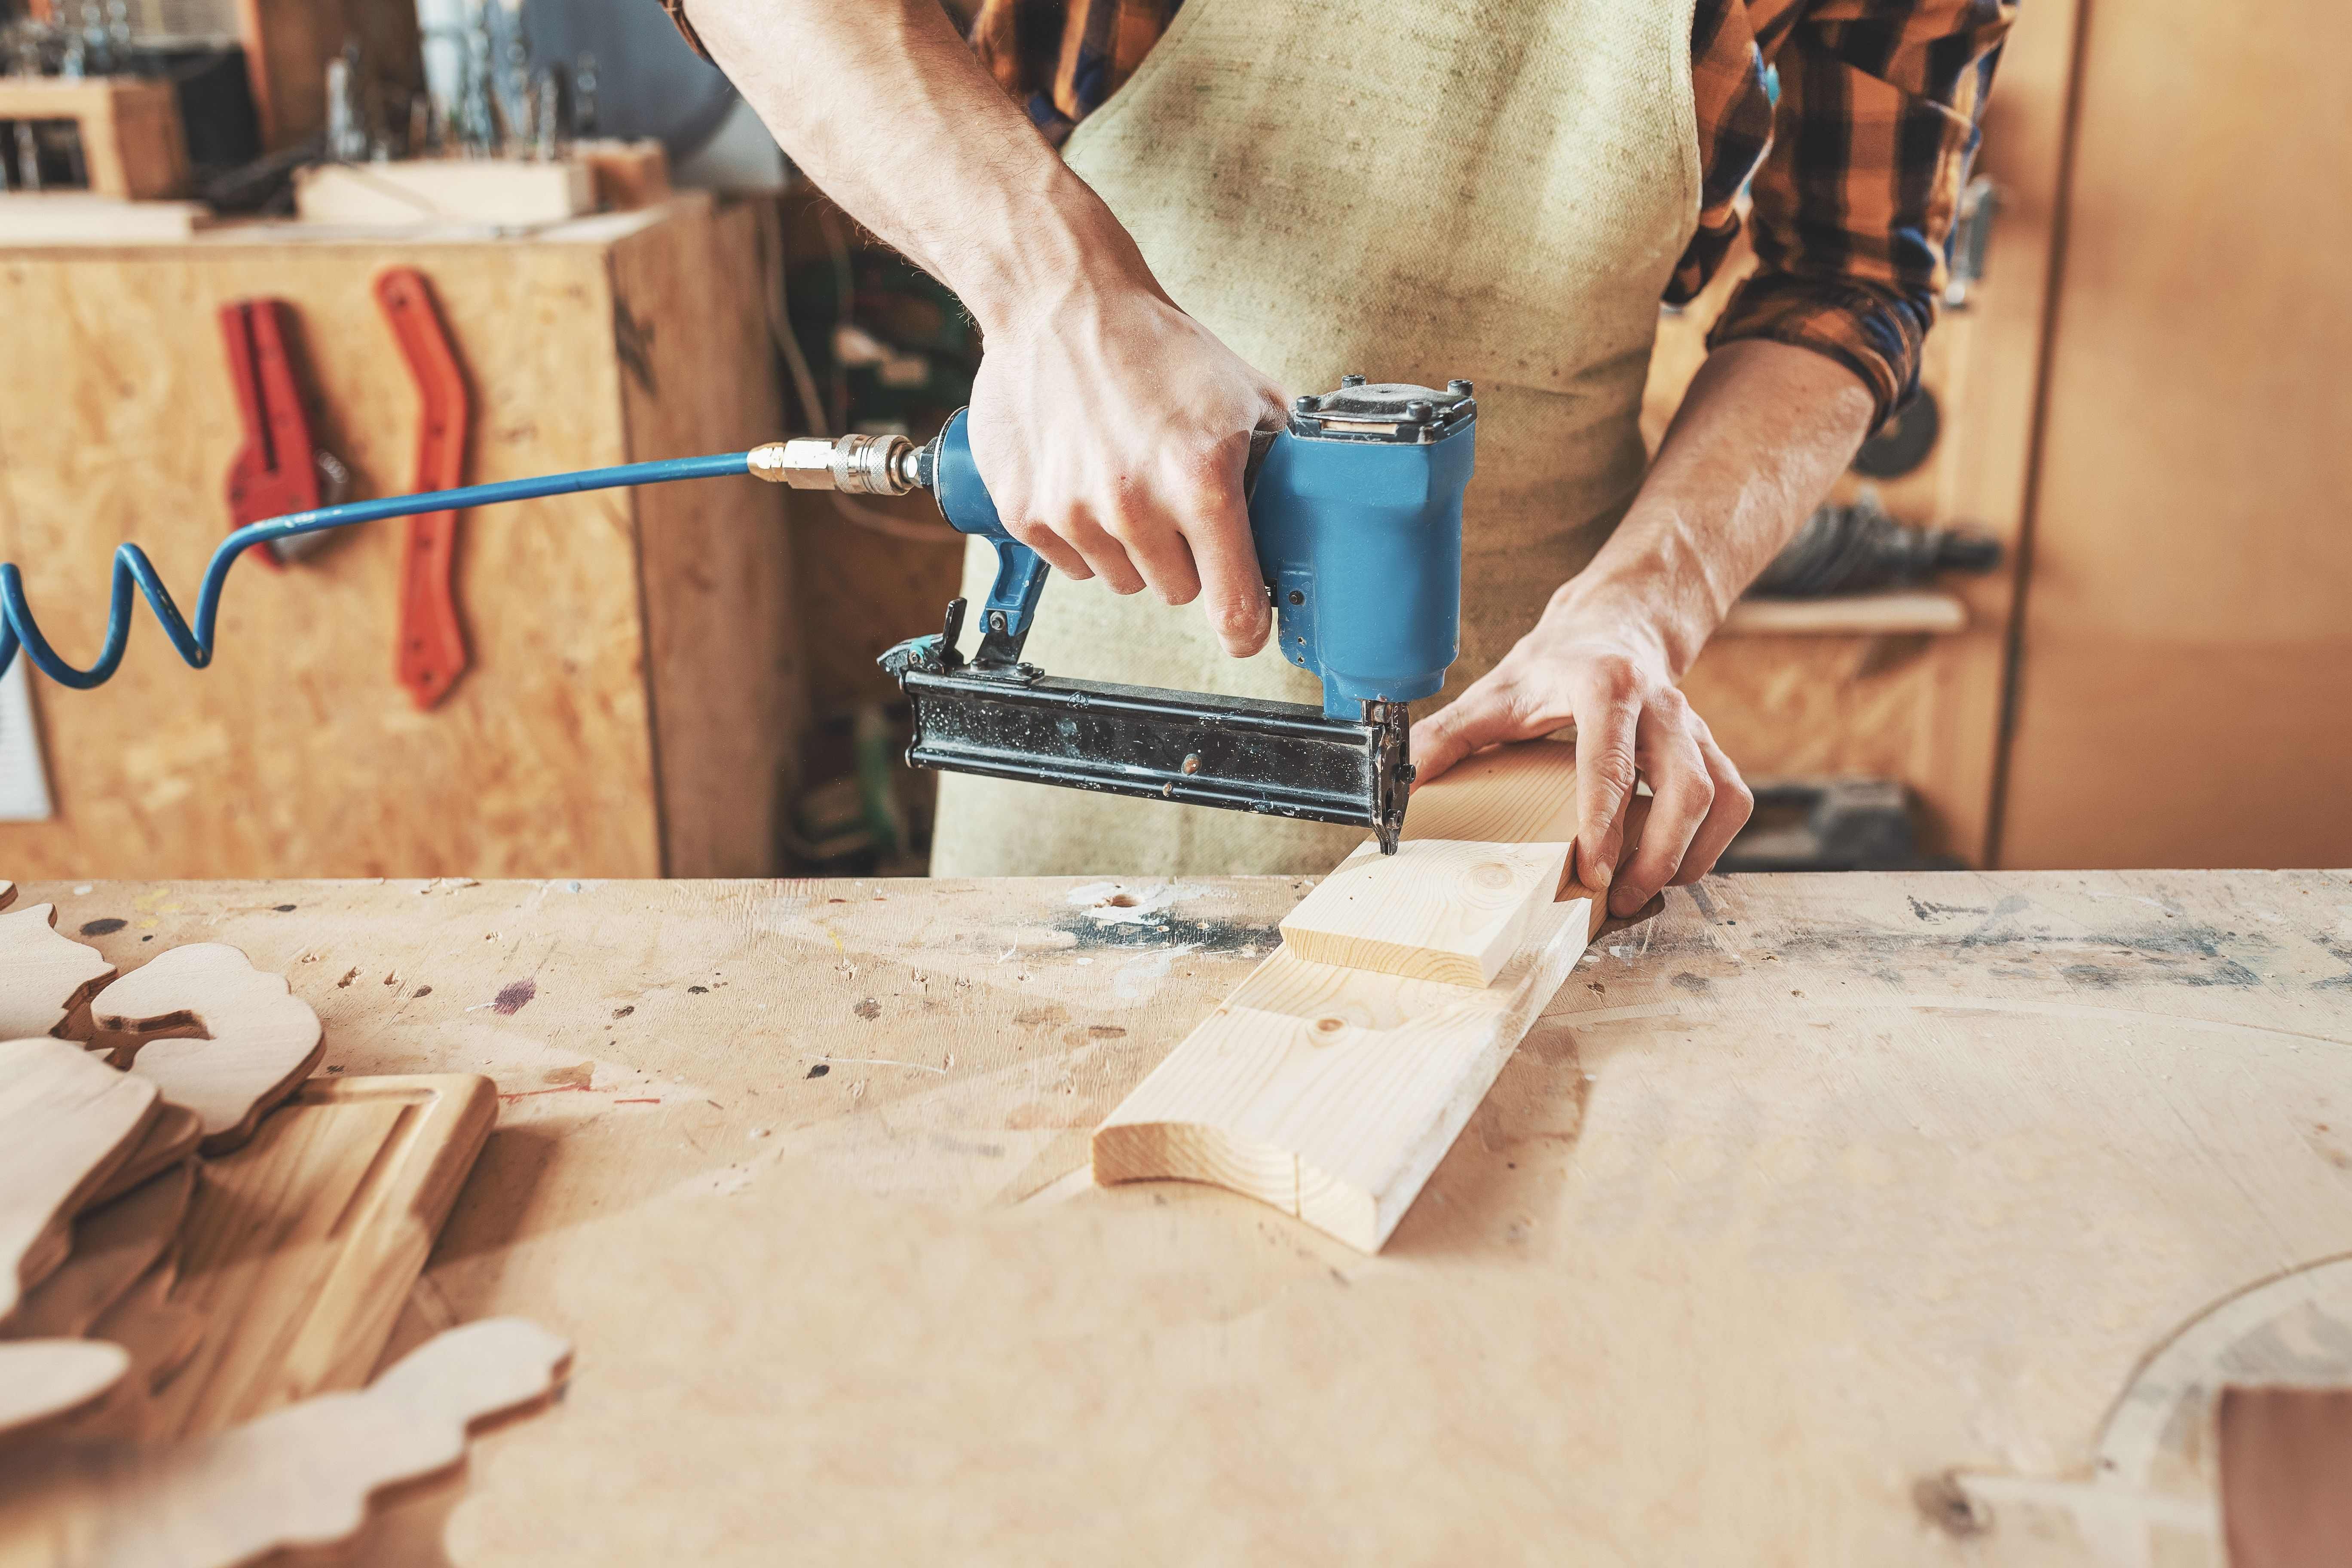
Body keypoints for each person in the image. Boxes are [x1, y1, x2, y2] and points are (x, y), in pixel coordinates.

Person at [666, 0, 2012, 913]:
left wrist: (1648, 604)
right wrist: (1055, 293)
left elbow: (1849, 277)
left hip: (1517, 708)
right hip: (1088, 638)